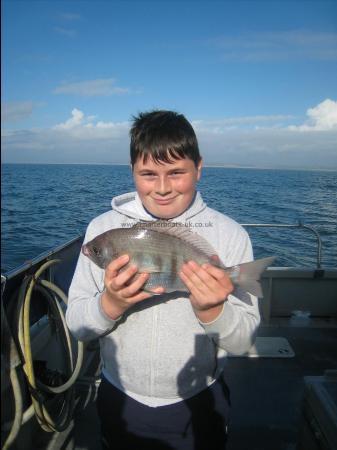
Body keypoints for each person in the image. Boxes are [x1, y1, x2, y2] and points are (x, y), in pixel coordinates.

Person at [66, 110, 260, 450]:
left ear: (199, 168)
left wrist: (213, 310)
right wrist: (110, 304)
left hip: (199, 400)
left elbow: (243, 343)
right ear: (132, 172)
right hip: (120, 397)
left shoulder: (231, 236)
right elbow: (78, 328)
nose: (163, 187)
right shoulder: (102, 229)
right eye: (148, 174)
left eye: (176, 173)